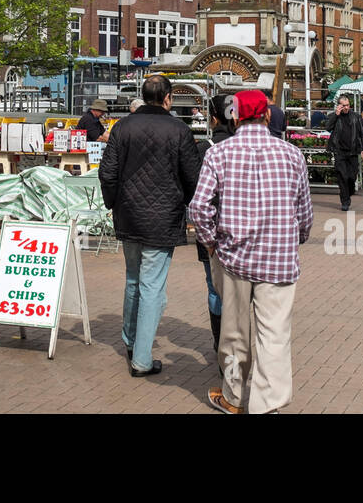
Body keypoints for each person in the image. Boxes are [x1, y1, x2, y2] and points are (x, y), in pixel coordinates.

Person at [190, 89, 314, 414]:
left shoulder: (219, 154)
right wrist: (296, 236)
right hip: (278, 259)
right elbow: (304, 212)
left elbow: (199, 207)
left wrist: (210, 242)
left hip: (233, 256)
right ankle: (266, 405)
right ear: (267, 115)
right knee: (274, 336)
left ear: (235, 116)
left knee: (233, 334)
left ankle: (232, 398)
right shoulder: (292, 155)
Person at [98, 75, 201, 377]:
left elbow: (108, 173)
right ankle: (141, 357)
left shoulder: (123, 128)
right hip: (163, 216)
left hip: (129, 213)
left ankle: (132, 342)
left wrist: (113, 202)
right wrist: (184, 202)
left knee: (134, 280)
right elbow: (193, 176)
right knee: (152, 285)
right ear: (168, 98)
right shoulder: (179, 130)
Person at [194, 94, 236, 353]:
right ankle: (236, 339)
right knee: (241, 288)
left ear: (213, 117)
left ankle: (220, 339)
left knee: (214, 287)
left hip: (211, 229)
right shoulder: (245, 146)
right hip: (242, 229)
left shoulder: (205, 148)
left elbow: (196, 195)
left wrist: (206, 237)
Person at [323, 95, 363, 211]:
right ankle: (345, 201)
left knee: (352, 176)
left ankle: (350, 190)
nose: (346, 108)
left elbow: (362, 134)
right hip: (339, 151)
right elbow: (327, 127)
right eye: (343, 106)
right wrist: (336, 115)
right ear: (339, 106)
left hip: (353, 151)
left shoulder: (356, 117)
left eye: (347, 105)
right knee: (342, 176)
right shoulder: (334, 116)